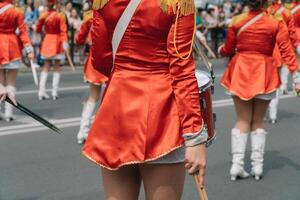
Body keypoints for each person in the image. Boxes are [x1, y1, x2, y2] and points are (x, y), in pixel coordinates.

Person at [82, 0, 208, 199]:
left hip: (117, 106)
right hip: (162, 110)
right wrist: (194, 136)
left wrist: (126, 73)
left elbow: (101, 60)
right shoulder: (177, 2)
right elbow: (182, 70)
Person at [219, 0, 300, 181]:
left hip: (241, 70)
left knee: (242, 120)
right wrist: (296, 76)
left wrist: (221, 50)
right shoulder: (275, 21)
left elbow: (228, 49)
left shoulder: (236, 20)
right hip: (264, 71)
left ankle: (237, 166)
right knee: (257, 121)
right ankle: (257, 166)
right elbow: (286, 50)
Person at [75, 0, 108, 145]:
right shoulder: (114, 10)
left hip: (95, 58)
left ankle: (83, 131)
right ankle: (104, 131)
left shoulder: (89, 15)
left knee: (93, 97)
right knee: (109, 98)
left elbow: (79, 38)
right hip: (112, 58)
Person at [267, 0, 300, 123]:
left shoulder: (263, 12)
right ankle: (273, 112)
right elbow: (291, 32)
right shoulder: (286, 11)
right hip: (280, 46)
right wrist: (295, 44)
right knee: (277, 79)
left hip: (261, 50)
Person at [0, 0, 34, 121]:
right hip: (12, 47)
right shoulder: (16, 10)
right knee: (11, 82)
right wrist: (29, 50)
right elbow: (23, 32)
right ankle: (9, 113)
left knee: (1, 82)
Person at [35, 0, 69, 100]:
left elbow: (37, 29)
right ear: (56, 4)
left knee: (46, 66)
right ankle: (54, 92)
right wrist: (65, 42)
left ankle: (41, 92)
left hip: (47, 41)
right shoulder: (60, 16)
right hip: (57, 42)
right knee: (57, 67)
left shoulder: (43, 15)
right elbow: (63, 31)